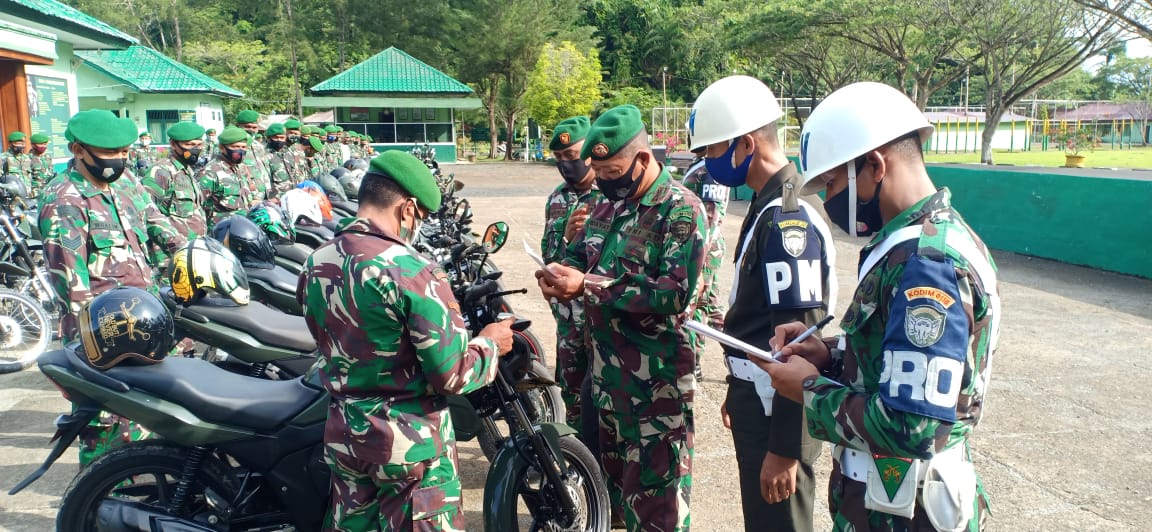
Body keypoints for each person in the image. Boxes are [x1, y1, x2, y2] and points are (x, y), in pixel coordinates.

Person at [756, 81, 1001, 532]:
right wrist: (829, 355)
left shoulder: (929, 266)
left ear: (874, 165)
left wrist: (809, 390)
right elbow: (897, 364)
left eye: (831, 182)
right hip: (884, 504)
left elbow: (913, 426)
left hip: (907, 513)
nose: (827, 199)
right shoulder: (908, 245)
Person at [297, 150, 515, 531]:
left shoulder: (315, 262)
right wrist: (490, 343)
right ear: (408, 208)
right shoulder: (412, 272)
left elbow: (323, 340)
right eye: (422, 217)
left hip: (346, 434)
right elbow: (452, 375)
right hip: (408, 444)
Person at [536, 104, 706, 531]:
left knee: (658, 511)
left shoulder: (679, 211)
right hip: (608, 386)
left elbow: (674, 293)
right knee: (614, 505)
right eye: (601, 173)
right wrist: (557, 272)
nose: (606, 183)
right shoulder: (608, 206)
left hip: (656, 392)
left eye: (613, 173)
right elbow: (580, 257)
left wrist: (589, 287)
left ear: (644, 160)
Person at [689, 75, 838, 532]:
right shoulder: (765, 204)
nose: (708, 163)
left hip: (781, 411)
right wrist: (740, 388)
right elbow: (756, 318)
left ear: (746, 144)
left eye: (713, 151)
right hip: (761, 397)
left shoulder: (787, 221)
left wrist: (785, 447)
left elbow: (800, 342)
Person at [38, 109, 186, 464]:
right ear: (78, 150)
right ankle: (102, 508)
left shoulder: (127, 184)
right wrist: (92, 353)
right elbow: (70, 282)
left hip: (143, 321)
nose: (119, 159)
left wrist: (193, 255)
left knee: (154, 414)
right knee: (108, 425)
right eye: (110, 153)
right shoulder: (64, 199)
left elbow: (158, 224)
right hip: (101, 333)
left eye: (124, 151)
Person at [540, 115, 601, 439]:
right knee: (572, 392)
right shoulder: (557, 199)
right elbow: (549, 254)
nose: (566, 164)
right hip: (567, 320)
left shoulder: (608, 195)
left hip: (600, 317)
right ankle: (580, 463)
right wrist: (565, 237)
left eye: (572, 155)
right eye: (560, 159)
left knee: (602, 397)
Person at [679, 138, 728, 382]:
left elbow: (710, 218)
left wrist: (698, 260)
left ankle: (695, 361)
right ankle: (738, 353)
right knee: (710, 305)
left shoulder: (710, 171)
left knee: (698, 304)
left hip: (704, 248)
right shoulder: (702, 166)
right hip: (700, 246)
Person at [142, 121, 209, 268]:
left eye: (198, 145)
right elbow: (145, 214)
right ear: (173, 144)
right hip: (169, 259)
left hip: (194, 252)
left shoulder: (187, 170)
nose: (195, 150)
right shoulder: (161, 172)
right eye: (190, 145)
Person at [198, 126, 258, 229]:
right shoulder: (210, 172)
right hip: (221, 233)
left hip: (243, 229)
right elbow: (198, 205)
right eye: (235, 147)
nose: (240, 151)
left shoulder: (240, 168)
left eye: (243, 147)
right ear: (222, 147)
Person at [236, 110, 271, 198]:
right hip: (246, 194)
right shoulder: (232, 146)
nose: (251, 130)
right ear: (238, 126)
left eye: (254, 127)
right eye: (247, 127)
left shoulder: (258, 146)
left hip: (264, 193)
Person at [264, 122, 299, 198]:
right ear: (268, 138)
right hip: (276, 198)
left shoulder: (289, 153)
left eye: (282, 137)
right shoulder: (264, 155)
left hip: (292, 195)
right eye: (276, 137)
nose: (279, 140)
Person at [25, 133, 56, 200]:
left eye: (45, 144)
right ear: (33, 145)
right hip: (35, 195)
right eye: (40, 144)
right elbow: (26, 179)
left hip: (49, 192)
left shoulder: (47, 157)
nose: (43, 146)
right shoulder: (27, 159)